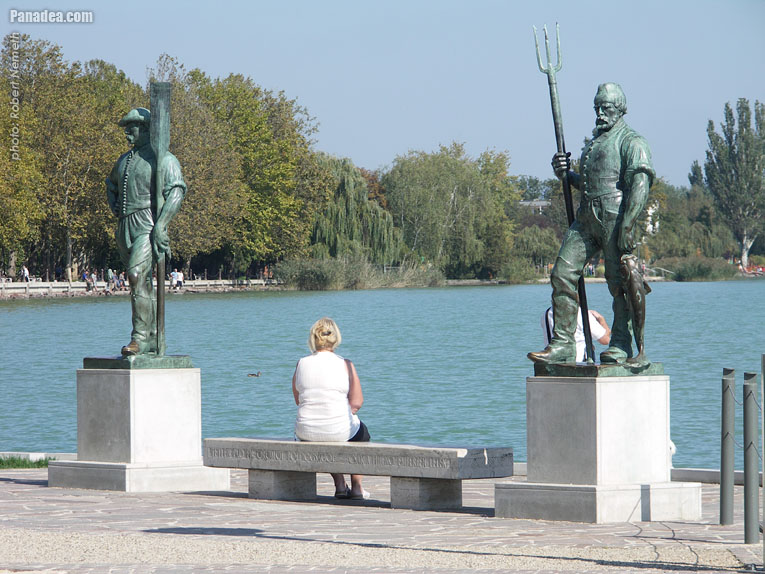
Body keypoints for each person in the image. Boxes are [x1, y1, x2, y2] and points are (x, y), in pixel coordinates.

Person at [528, 83, 654, 365]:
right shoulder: (595, 143)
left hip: (614, 218)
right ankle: (563, 344)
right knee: (562, 272)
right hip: (586, 218)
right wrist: (566, 174)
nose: (600, 113)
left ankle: (620, 343)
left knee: (618, 284)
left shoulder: (632, 141)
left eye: (606, 108)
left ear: (621, 109)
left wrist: (628, 224)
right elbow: (588, 186)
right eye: (597, 107)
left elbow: (640, 184)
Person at [105, 107, 186, 356]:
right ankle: (150, 337)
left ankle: (139, 337)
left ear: (147, 129)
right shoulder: (124, 160)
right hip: (125, 226)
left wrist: (162, 225)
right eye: (126, 129)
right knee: (141, 285)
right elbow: (110, 184)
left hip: (148, 224)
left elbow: (176, 191)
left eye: (133, 128)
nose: (128, 134)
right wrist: (114, 204)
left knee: (136, 274)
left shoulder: (164, 159)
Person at [292, 317, 370, 500]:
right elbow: (357, 403)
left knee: (323, 435)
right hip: (338, 430)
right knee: (361, 434)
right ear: (336, 338)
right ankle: (357, 487)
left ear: (313, 338)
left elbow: (298, 399)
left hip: (306, 430)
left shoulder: (301, 363)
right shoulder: (346, 364)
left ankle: (340, 485)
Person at [541, 307, 611, 363]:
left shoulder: (546, 314)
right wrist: (601, 319)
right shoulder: (580, 313)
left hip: (552, 363)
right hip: (579, 364)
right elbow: (605, 340)